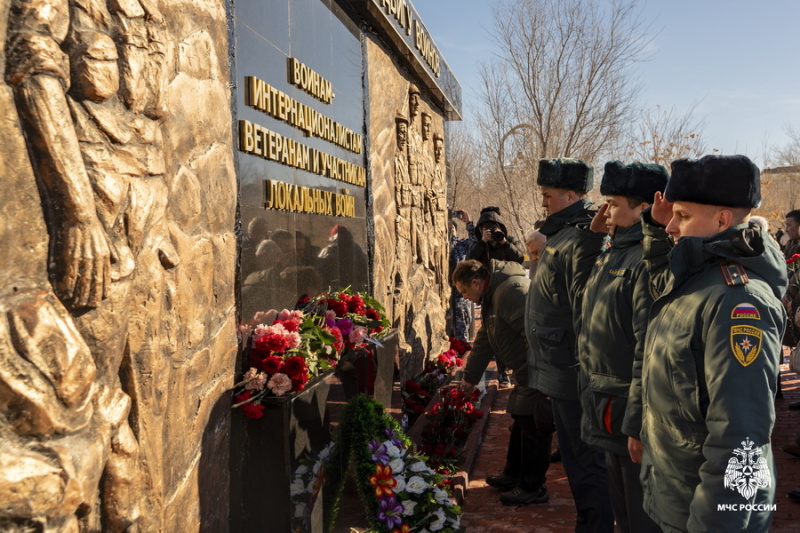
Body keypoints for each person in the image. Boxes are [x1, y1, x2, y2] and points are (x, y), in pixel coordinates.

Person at [640, 154, 786, 532]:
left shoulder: (738, 302)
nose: (669, 226)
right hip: (677, 497)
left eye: (683, 216)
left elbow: (742, 438)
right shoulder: (695, 282)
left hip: (706, 514)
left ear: (722, 220)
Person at [576, 161, 668, 533]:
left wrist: (637, 424)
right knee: (624, 515)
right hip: (606, 401)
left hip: (625, 409)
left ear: (642, 208)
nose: (605, 212)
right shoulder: (614, 250)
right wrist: (595, 238)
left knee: (641, 517)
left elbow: (647, 348)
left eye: (612, 203)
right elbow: (581, 301)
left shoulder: (645, 259)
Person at [525, 158, 613, 532]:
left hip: (571, 368)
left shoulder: (580, 235)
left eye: (547, 195)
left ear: (571, 194)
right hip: (558, 365)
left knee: (585, 459)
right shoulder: (562, 233)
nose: (543, 202)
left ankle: (594, 525)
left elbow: (585, 308)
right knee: (578, 459)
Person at [455, 259, 554, 506]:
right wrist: (470, 378)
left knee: (533, 428)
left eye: (464, 292)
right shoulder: (493, 296)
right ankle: (513, 475)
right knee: (520, 420)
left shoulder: (511, 291)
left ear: (476, 283)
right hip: (525, 372)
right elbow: (485, 340)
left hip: (536, 371)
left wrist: (538, 374)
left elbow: (538, 333)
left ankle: (533, 487)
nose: (465, 298)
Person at [449, 210, 477, 341]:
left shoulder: (461, 245)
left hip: (459, 296)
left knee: (462, 329)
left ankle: (461, 354)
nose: (450, 232)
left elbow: (476, 241)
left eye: (452, 229)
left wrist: (469, 223)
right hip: (443, 297)